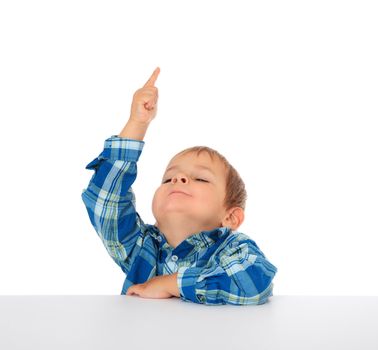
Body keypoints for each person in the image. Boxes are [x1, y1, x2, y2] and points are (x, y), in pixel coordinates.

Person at [81, 67, 277, 305]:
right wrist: (137, 124)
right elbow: (105, 201)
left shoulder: (233, 248)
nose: (178, 179)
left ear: (231, 217)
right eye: (168, 178)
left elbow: (254, 284)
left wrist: (170, 283)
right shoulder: (139, 247)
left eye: (201, 179)